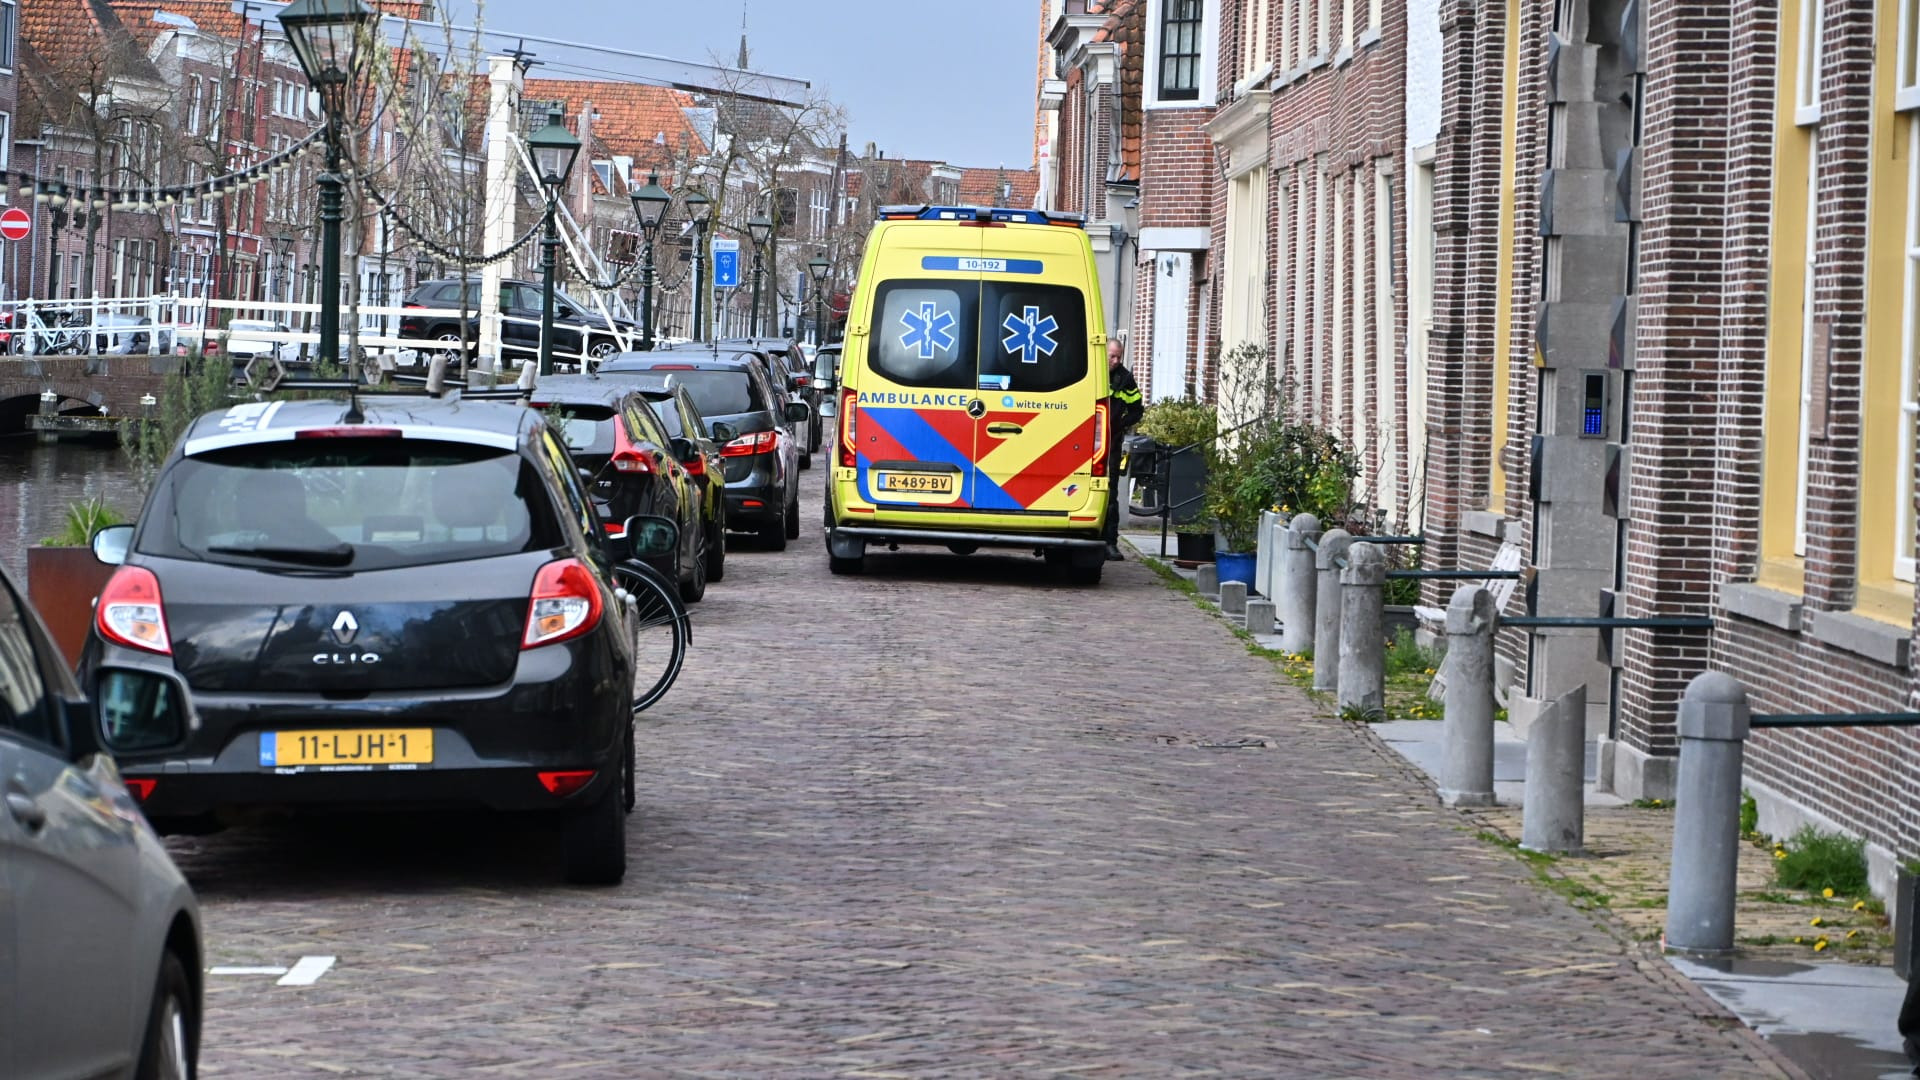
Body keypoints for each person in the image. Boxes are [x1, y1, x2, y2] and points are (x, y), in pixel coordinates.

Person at [1104, 335, 1145, 561]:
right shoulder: (1093, 374)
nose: (1116, 361)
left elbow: (1137, 409)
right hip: (1084, 438)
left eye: (1119, 357)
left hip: (1112, 441)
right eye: (1112, 356)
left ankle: (1110, 542)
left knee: (1110, 490)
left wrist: (1121, 423)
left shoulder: (1125, 379)